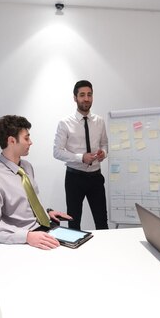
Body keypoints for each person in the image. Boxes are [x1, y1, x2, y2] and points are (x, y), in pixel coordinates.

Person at [0, 115, 71, 250]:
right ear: (12, 141)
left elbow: (26, 204)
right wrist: (27, 236)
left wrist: (46, 213)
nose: (30, 142)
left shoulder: (26, 167)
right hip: (25, 239)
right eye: (26, 138)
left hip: (45, 228)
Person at [53, 80, 109, 230]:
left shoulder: (100, 121)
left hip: (96, 177)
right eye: (82, 95)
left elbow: (104, 144)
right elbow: (57, 151)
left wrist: (103, 153)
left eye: (89, 95)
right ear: (75, 97)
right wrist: (80, 158)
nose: (86, 98)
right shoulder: (64, 123)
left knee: (102, 221)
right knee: (74, 222)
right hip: (74, 179)